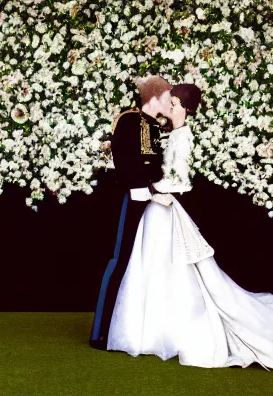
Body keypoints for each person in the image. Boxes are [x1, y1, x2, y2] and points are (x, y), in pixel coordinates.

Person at [106, 83, 273, 370]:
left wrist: (154, 189)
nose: (168, 106)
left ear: (183, 108)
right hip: (158, 209)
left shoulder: (182, 137)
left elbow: (182, 181)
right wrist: (152, 190)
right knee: (154, 267)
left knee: (168, 268)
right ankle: (152, 329)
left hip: (164, 206)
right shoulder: (168, 133)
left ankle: (167, 331)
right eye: (169, 101)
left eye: (173, 103)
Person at [89, 75, 173, 350]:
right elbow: (125, 160)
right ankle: (100, 332)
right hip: (132, 198)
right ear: (154, 96)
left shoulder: (155, 126)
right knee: (120, 259)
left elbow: (154, 164)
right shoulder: (129, 120)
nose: (169, 101)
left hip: (150, 199)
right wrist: (149, 192)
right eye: (166, 96)